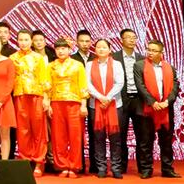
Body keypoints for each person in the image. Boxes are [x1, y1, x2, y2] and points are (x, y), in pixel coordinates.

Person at [134, 39, 180, 179]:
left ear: (161, 52)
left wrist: (167, 102)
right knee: (146, 141)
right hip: (146, 109)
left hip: (165, 109)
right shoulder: (139, 65)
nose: (150, 53)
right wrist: (152, 102)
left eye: (154, 50)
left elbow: (175, 87)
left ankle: (167, 169)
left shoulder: (170, 67)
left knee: (166, 141)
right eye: (148, 49)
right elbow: (140, 86)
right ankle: (146, 169)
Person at [11, 29, 51, 176]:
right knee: (23, 130)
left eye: (26, 40)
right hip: (20, 96)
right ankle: (25, 160)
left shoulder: (39, 58)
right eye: (21, 40)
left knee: (39, 130)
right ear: (17, 41)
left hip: (37, 96)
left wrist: (46, 98)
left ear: (31, 41)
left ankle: (39, 162)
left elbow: (45, 79)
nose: (23, 43)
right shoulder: (12, 58)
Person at [49, 38, 89, 178]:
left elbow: (83, 85)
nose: (61, 51)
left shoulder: (78, 65)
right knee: (58, 136)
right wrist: (48, 103)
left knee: (75, 136)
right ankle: (62, 165)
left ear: (69, 50)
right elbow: (48, 86)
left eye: (63, 48)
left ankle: (74, 166)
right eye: (58, 49)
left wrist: (83, 105)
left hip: (74, 103)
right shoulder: (51, 66)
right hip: (56, 102)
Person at [87, 38, 125, 178]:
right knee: (98, 137)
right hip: (95, 105)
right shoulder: (89, 65)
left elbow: (120, 82)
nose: (101, 49)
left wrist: (108, 97)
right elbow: (88, 84)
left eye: (104, 47)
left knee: (115, 138)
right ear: (95, 49)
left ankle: (116, 167)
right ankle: (101, 167)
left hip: (114, 104)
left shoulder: (117, 64)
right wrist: (100, 97)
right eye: (98, 47)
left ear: (110, 49)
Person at [113, 29, 145, 178]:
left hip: (138, 100)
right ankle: (121, 166)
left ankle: (143, 167)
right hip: (121, 99)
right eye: (128, 37)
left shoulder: (142, 58)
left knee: (142, 135)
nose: (132, 40)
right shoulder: (114, 58)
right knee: (120, 134)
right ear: (121, 40)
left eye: (134, 37)